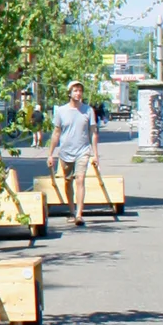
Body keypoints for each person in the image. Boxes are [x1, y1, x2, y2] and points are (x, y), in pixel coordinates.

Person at [48, 78, 101, 226]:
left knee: (80, 180)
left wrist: (95, 154)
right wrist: (51, 154)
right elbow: (56, 133)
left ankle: (79, 214)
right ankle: (71, 211)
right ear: (69, 93)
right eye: (75, 90)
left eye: (80, 91)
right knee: (67, 181)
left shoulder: (88, 110)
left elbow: (93, 133)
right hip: (65, 152)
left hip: (83, 150)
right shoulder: (61, 111)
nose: (78, 93)